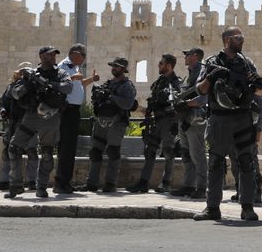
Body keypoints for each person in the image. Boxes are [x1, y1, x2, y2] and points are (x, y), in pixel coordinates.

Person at [193, 27, 262, 222]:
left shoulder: (246, 63)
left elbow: (260, 93)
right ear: (227, 40)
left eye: (242, 37)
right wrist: (211, 76)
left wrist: (255, 84)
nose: (242, 41)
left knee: (246, 163)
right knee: (216, 163)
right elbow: (200, 90)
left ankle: (247, 207)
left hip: (242, 119)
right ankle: (212, 208)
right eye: (238, 38)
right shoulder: (212, 62)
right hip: (219, 118)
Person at [6, 46, 73, 198]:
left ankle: (41, 187)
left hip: (51, 116)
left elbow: (68, 87)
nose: (53, 57)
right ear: (41, 57)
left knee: (47, 153)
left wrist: (50, 84)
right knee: (14, 148)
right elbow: (15, 94)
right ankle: (16, 184)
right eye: (50, 55)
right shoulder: (31, 74)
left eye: (54, 55)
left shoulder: (61, 73)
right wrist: (29, 83)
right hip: (31, 116)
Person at [77, 58, 137, 193]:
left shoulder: (127, 86)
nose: (114, 68)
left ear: (123, 69)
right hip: (101, 121)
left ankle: (110, 183)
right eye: (113, 66)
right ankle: (91, 183)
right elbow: (98, 101)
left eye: (117, 67)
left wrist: (112, 97)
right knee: (95, 152)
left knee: (113, 151)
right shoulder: (108, 84)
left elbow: (128, 104)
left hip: (117, 123)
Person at [126, 54, 181, 194]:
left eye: (161, 63)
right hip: (156, 121)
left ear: (169, 65)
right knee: (150, 152)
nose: (158, 65)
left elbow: (177, 102)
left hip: (169, 121)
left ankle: (166, 183)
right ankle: (143, 183)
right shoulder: (159, 82)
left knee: (169, 152)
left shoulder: (176, 82)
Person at [54, 44, 100, 194]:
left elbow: (78, 83)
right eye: (83, 56)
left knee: (70, 148)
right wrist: (73, 77)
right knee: (66, 147)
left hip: (73, 111)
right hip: (66, 110)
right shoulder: (63, 66)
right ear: (74, 54)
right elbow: (59, 85)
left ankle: (65, 182)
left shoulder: (73, 67)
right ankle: (60, 183)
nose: (84, 59)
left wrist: (91, 79)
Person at [170, 48, 209, 199]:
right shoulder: (189, 75)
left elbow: (204, 98)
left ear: (195, 56)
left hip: (196, 118)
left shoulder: (203, 74)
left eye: (187, 55)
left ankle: (201, 187)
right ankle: (188, 185)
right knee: (186, 153)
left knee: (197, 154)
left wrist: (187, 104)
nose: (184, 57)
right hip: (184, 118)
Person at [0, 63, 38, 191]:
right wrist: (3, 110)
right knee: (8, 151)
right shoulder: (11, 87)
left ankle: (31, 181)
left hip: (29, 123)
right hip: (13, 123)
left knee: (32, 151)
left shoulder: (33, 87)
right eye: (21, 72)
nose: (22, 75)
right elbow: (2, 102)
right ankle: (5, 180)